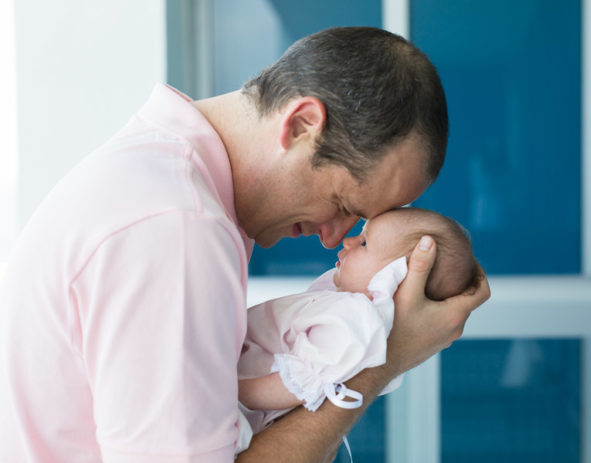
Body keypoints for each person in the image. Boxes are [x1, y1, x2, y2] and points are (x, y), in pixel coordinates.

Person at [0, 27, 490, 462]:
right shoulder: (177, 229)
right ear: (300, 125)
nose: (332, 239)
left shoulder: (164, 179)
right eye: (343, 203)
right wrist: (383, 358)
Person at [235, 207, 479, 454]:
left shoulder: (355, 322)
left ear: (392, 280)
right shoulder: (346, 307)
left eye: (363, 243)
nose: (349, 240)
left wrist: (233, 391)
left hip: (240, 404)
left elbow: (300, 383)